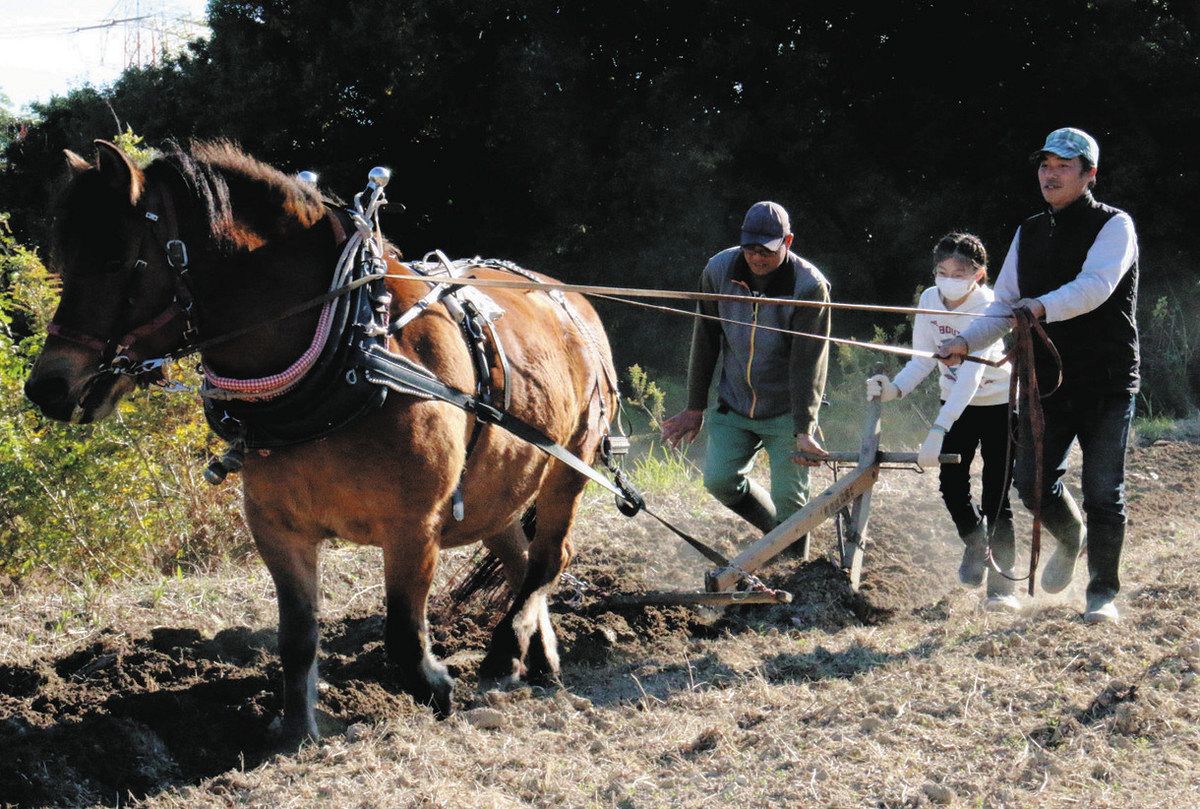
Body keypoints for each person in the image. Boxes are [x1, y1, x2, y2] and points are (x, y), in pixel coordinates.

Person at [938, 127, 1139, 623]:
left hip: (1107, 381)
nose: (1050, 174)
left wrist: (1038, 308)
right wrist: (966, 342)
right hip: (1044, 382)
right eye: (1045, 165)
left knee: (1102, 491)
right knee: (1029, 485)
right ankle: (1073, 539)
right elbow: (1004, 305)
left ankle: (1102, 594)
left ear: (1089, 174)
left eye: (1063, 165)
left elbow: (1094, 287)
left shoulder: (1115, 226)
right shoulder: (1029, 230)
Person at [865, 233, 1017, 610]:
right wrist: (894, 390)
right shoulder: (930, 301)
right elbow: (922, 358)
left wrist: (938, 427)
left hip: (998, 403)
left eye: (959, 272)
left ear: (978, 274)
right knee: (951, 486)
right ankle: (976, 543)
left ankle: (1002, 589)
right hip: (954, 402)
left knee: (996, 495)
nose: (949, 279)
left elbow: (972, 377)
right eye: (942, 271)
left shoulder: (990, 307)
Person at [661, 201, 830, 538]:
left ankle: (793, 566)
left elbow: (808, 363)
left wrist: (804, 427)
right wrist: (695, 407)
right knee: (718, 481)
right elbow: (706, 338)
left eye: (766, 250)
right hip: (734, 403)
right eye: (750, 248)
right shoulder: (718, 270)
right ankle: (776, 539)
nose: (757, 257)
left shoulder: (810, 286)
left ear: (788, 242)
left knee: (791, 503)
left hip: (785, 411)